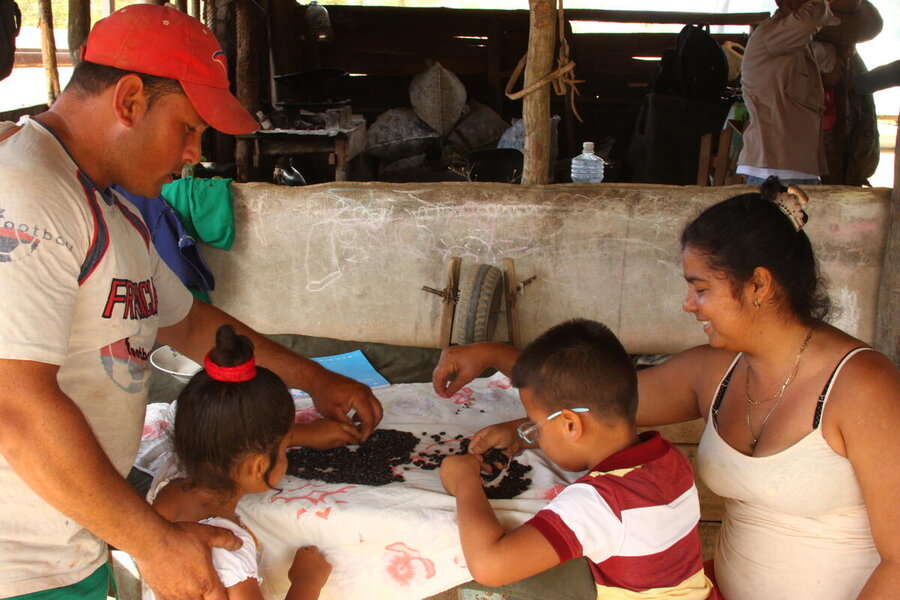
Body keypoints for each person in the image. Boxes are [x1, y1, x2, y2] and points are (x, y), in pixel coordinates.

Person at [0, 5, 382, 600]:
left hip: (70, 538)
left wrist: (318, 381)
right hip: (19, 563)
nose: (194, 154)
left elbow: (190, 322)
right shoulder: (28, 197)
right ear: (129, 100)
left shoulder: (111, 205)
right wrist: (154, 542)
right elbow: (15, 406)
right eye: (188, 127)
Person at [433, 177, 900, 600]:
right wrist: (507, 385)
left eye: (700, 289)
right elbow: (598, 393)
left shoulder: (863, 387)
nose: (688, 305)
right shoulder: (714, 371)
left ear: (758, 284)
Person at [439, 319, 715, 599]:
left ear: (570, 425)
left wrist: (464, 481)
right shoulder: (669, 458)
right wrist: (520, 435)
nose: (533, 432)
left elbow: (490, 566)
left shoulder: (600, 504)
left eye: (535, 425)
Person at [147, 325, 334, 600]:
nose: (285, 455)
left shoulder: (170, 484)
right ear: (257, 466)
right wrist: (307, 582)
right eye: (282, 449)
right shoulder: (225, 548)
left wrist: (303, 435)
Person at [736, 0, 841, 185]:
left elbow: (828, 60)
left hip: (795, 166)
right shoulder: (771, 35)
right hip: (774, 167)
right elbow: (806, 23)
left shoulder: (796, 44)